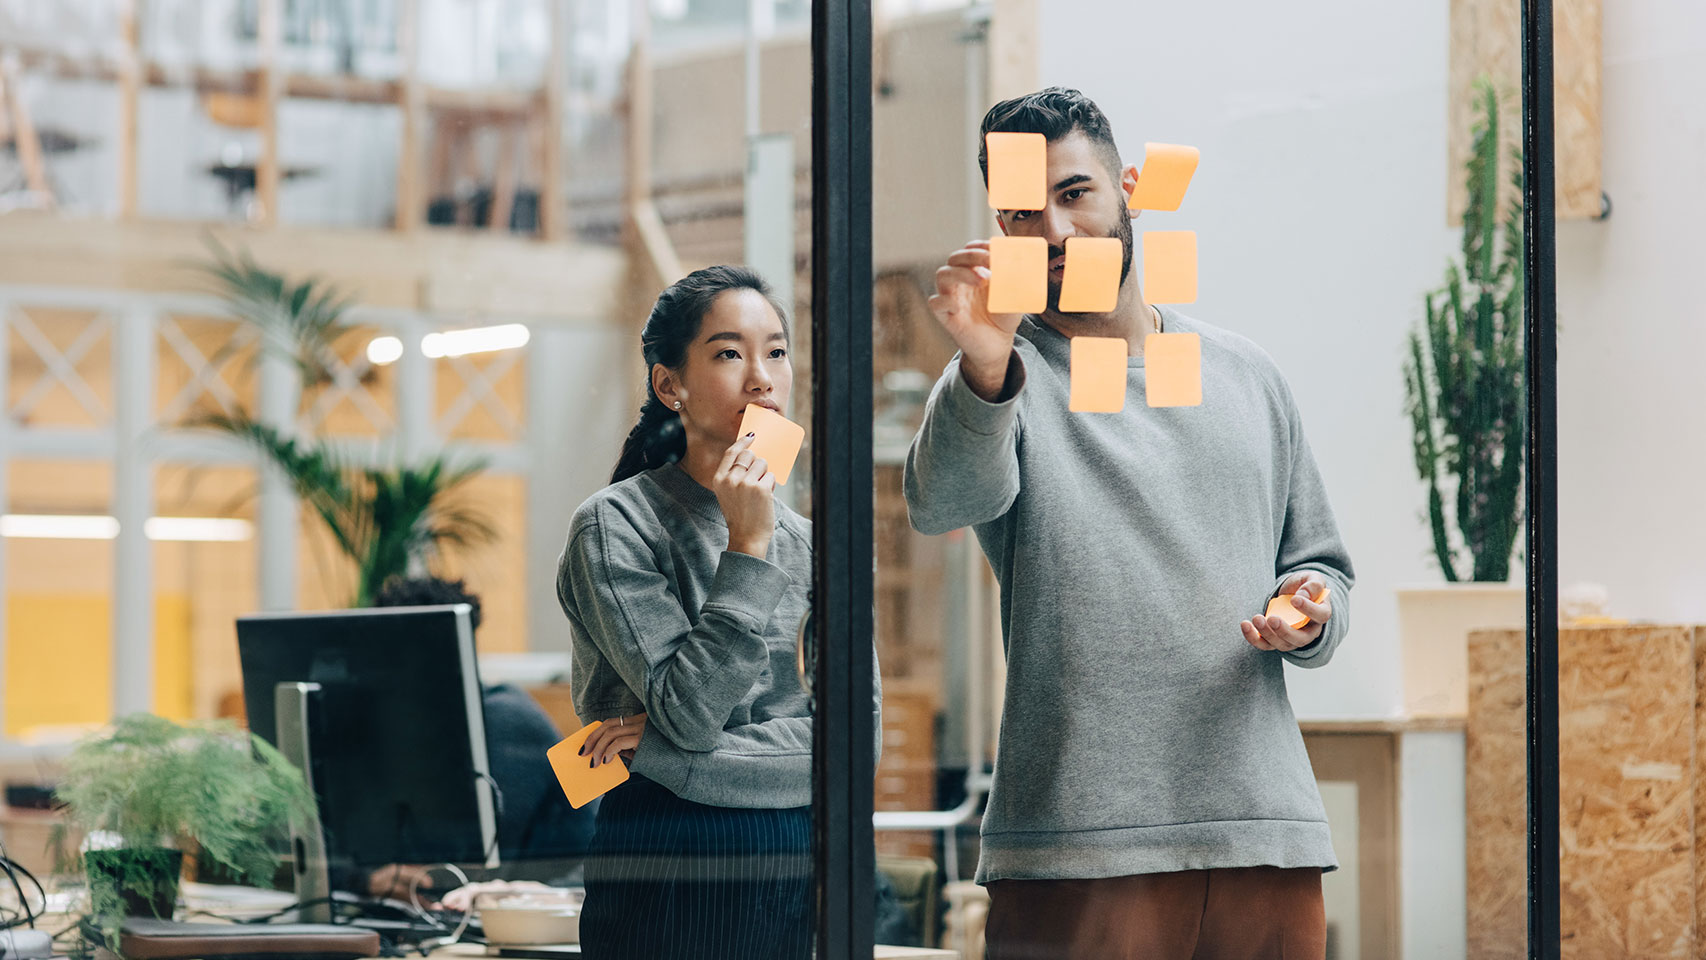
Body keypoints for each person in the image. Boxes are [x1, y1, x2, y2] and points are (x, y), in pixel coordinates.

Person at [904, 87, 1354, 960]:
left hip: (1265, 830)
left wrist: (1309, 607)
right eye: (1021, 214)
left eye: (1076, 195)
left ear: (1130, 189)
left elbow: (1323, 565)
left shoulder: (1246, 374)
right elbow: (942, 503)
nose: (1057, 235)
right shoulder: (1000, 379)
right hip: (1077, 842)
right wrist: (985, 362)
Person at [556, 265, 881, 960]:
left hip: (794, 855)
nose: (762, 378)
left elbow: (857, 747)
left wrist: (672, 755)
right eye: (730, 353)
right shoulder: (616, 526)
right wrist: (749, 545)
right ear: (669, 384)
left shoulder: (818, 543)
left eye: (777, 351)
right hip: (667, 851)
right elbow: (690, 712)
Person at [365, 577, 597, 899]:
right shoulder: (414, 724)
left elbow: (481, 859)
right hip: (488, 910)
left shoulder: (507, 717)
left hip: (555, 902)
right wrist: (367, 878)